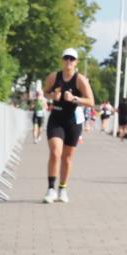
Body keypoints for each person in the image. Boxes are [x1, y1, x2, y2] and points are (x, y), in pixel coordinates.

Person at [42, 48, 94, 204]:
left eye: (72, 59)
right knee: (55, 152)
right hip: (56, 118)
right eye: (66, 58)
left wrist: (74, 98)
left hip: (73, 121)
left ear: (76, 62)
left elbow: (91, 102)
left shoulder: (80, 80)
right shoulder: (54, 77)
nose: (69, 61)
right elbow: (45, 92)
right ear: (62, 60)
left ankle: (62, 188)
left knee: (67, 158)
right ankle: (51, 189)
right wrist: (52, 96)